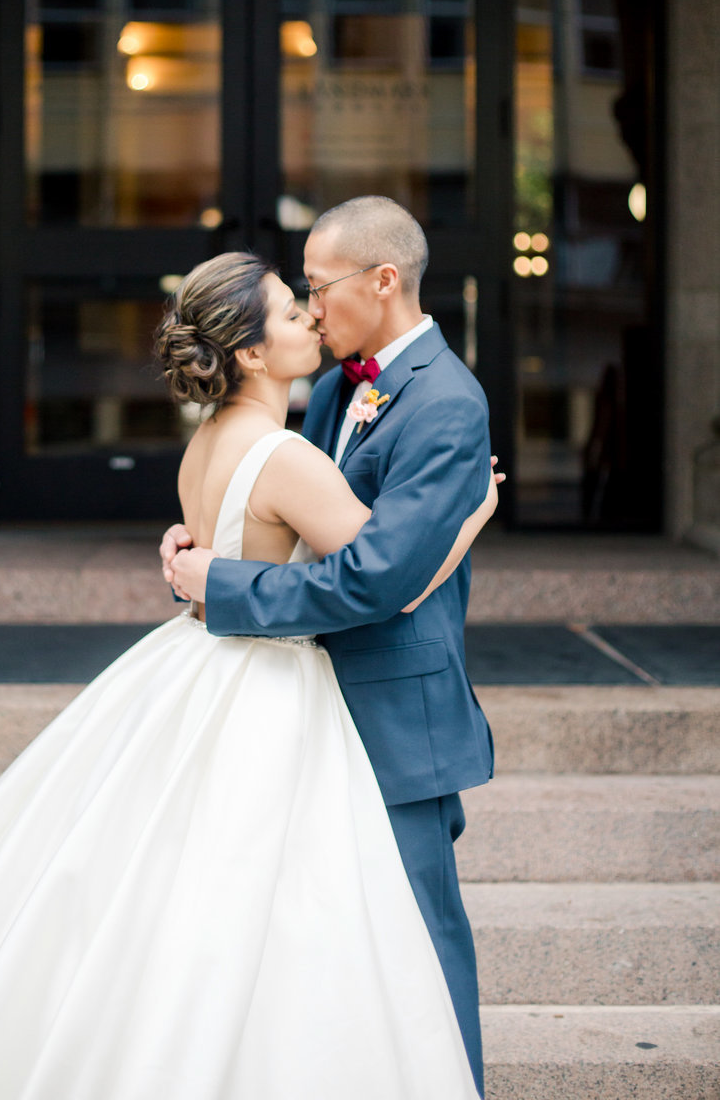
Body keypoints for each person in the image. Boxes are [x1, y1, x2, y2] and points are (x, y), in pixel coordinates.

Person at [0, 251, 493, 1100]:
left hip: (199, 663)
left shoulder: (208, 442)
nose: (309, 316)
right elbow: (390, 578)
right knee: (276, 905)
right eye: (288, 310)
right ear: (252, 356)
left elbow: (233, 537)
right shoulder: (286, 455)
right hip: (267, 685)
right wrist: (470, 517)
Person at [165, 198, 496, 1097]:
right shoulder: (344, 385)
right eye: (298, 295)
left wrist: (218, 585)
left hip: (394, 717)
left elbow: (372, 580)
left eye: (319, 286)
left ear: (382, 281)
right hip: (304, 710)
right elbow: (293, 525)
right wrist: (207, 558)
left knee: (420, 946)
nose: (311, 308)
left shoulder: (446, 402)